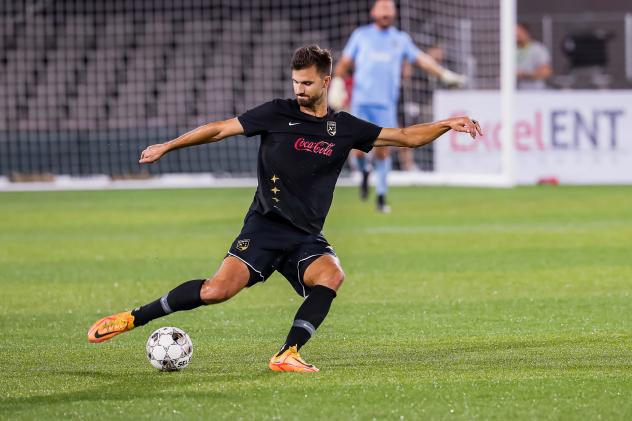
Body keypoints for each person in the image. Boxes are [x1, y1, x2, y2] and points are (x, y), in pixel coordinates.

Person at [87, 45, 481, 373]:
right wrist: (168, 145)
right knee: (214, 291)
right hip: (265, 226)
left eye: (307, 83)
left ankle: (287, 352)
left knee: (331, 276)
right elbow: (220, 128)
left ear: (327, 81)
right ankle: (134, 317)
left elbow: (406, 137)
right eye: (295, 82)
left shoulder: (343, 128)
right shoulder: (277, 113)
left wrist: (446, 123)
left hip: (305, 234)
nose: (299, 89)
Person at [329, 0, 466, 213]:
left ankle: (381, 196)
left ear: (394, 13)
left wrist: (444, 74)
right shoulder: (361, 35)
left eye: (389, 8)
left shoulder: (400, 39)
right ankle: (364, 173)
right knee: (356, 152)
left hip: (385, 105)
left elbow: (422, 60)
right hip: (362, 102)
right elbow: (345, 63)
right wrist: (337, 83)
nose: (386, 11)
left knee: (383, 151)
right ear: (374, 12)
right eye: (382, 7)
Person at [516, 21, 552, 90]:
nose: (516, 35)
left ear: (526, 32)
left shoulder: (537, 49)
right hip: (516, 93)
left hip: (534, 93)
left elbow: (546, 72)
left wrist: (524, 75)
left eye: (518, 32)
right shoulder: (511, 50)